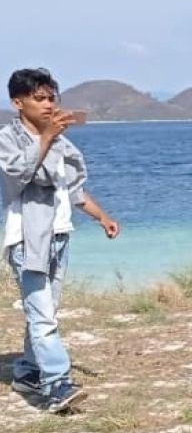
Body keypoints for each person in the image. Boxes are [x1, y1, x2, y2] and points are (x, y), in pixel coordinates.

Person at [0, 68, 121, 413]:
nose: (48, 105)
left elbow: (73, 190)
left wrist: (103, 217)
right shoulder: (8, 139)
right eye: (39, 98)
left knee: (45, 311)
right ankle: (56, 384)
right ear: (17, 102)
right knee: (42, 316)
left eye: (52, 97)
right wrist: (46, 138)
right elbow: (17, 177)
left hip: (58, 236)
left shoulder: (59, 140)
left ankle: (26, 371)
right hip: (28, 239)